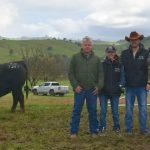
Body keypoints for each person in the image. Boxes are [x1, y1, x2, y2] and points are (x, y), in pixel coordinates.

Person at [68, 36, 104, 138]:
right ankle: (73, 132)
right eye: (85, 45)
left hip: (92, 90)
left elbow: (101, 74)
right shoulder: (75, 57)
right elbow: (71, 73)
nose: (87, 46)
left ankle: (94, 131)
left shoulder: (97, 59)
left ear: (92, 46)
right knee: (76, 111)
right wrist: (75, 86)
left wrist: (99, 86)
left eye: (89, 45)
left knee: (92, 111)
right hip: (79, 90)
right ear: (82, 46)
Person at [121, 31, 150, 134]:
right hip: (129, 86)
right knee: (128, 108)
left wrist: (149, 82)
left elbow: (149, 68)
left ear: (139, 40)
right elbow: (121, 67)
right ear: (130, 41)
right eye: (132, 40)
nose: (134, 41)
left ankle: (144, 129)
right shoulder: (124, 54)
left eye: (135, 39)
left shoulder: (146, 53)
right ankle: (128, 129)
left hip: (142, 86)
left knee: (143, 109)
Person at [99, 45, 125, 134]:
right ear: (106, 53)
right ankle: (102, 127)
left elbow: (122, 77)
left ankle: (117, 127)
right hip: (103, 92)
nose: (111, 54)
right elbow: (99, 77)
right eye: (109, 52)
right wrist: (99, 86)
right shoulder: (102, 64)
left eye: (112, 52)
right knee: (103, 111)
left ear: (115, 53)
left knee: (115, 111)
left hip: (115, 92)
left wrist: (120, 85)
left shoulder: (119, 64)